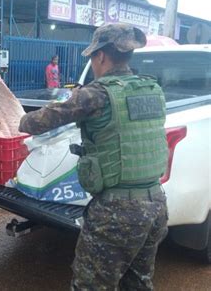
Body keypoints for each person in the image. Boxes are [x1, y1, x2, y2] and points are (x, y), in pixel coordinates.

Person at [19, 24, 169, 290]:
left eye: (92, 57)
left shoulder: (95, 94)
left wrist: (16, 118)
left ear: (100, 56)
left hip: (117, 212)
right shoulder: (151, 89)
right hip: (156, 204)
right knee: (138, 282)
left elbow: (37, 122)